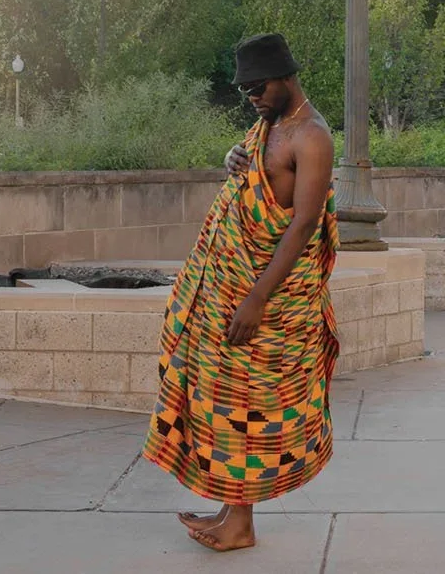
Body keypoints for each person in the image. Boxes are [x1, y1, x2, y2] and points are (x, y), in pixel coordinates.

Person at [142, 32, 338, 553]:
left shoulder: (312, 136)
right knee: (220, 403)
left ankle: (241, 525)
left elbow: (304, 224)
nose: (249, 96)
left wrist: (256, 300)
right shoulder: (268, 125)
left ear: (284, 76)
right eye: (244, 89)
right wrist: (237, 156)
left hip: (265, 301)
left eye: (256, 86)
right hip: (227, 290)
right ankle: (232, 511)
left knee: (248, 408)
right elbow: (263, 176)